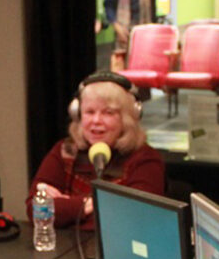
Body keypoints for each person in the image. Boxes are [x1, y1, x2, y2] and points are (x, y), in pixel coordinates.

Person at [26, 71, 165, 229]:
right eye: (90, 112)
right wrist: (85, 205)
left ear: (127, 118)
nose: (96, 121)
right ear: (78, 114)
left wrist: (67, 207)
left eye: (108, 113)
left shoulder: (145, 159)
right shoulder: (65, 151)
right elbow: (35, 210)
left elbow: (138, 219)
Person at [103, 0, 157, 71]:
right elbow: (109, 7)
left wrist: (153, 29)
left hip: (145, 31)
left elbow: (153, 7)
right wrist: (117, 27)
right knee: (123, 71)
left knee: (145, 70)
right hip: (124, 32)